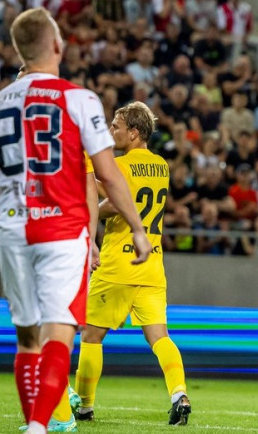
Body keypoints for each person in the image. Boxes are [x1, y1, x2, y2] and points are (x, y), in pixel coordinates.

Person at [0, 9, 151, 434]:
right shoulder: (80, 100)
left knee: (26, 336)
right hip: (62, 226)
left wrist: (2, 215)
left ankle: (36, 422)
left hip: (15, 222)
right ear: (56, 45)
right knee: (60, 330)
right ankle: (42, 425)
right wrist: (136, 226)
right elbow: (107, 175)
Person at [74, 101, 192, 425]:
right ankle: (179, 392)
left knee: (91, 335)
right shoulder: (161, 166)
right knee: (160, 337)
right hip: (152, 263)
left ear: (134, 132)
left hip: (118, 261)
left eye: (117, 125)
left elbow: (119, 203)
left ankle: (84, 406)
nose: (112, 130)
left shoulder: (119, 165)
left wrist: (94, 197)